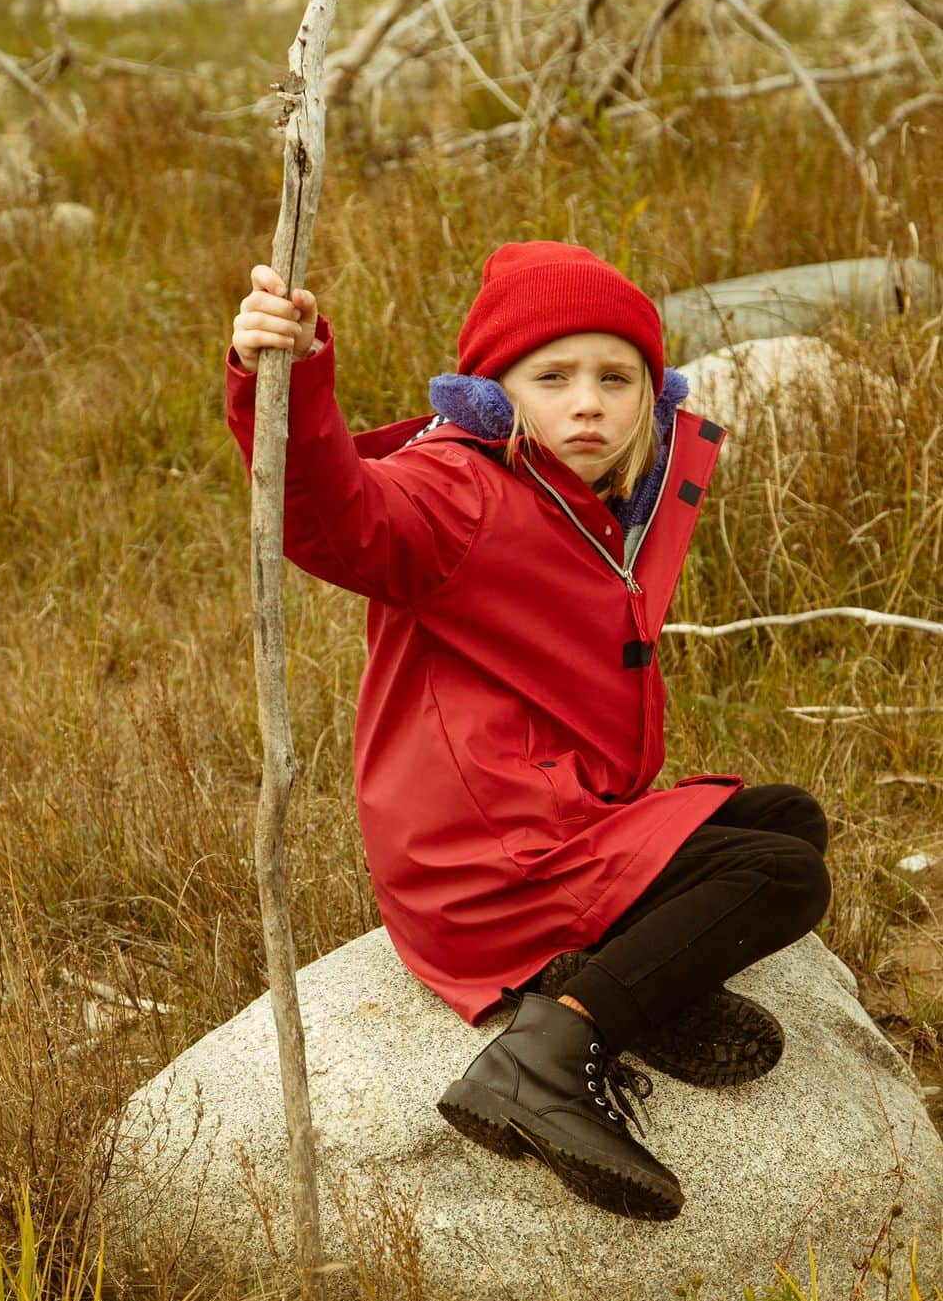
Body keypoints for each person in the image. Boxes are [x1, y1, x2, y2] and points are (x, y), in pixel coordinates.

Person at [228, 241, 832, 1221]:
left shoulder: (601, 502)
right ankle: (545, 1061)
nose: (586, 402)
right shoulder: (456, 491)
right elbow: (334, 514)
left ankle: (604, 984)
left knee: (788, 820)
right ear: (493, 395)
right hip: (481, 863)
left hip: (549, 822)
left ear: (653, 392)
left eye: (614, 377)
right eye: (551, 379)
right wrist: (282, 377)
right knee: (778, 875)